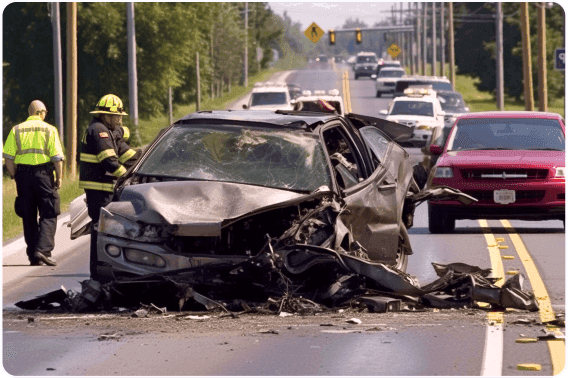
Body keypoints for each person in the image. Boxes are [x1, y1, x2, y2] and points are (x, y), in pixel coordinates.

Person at [79, 94, 139, 278]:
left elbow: (126, 155)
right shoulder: (99, 131)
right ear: (106, 116)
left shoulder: (108, 130)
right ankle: (98, 274)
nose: (120, 120)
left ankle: (107, 272)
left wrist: (142, 164)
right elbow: (110, 162)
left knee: (107, 230)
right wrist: (129, 179)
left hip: (105, 189)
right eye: (117, 117)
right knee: (101, 230)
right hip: (99, 190)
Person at [3, 100, 64, 266]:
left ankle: (33, 255)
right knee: (49, 212)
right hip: (43, 174)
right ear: (42, 112)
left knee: (28, 214)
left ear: (30, 112)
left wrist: (15, 175)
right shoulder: (50, 129)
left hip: (23, 175)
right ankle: (43, 251)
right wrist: (59, 178)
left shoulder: (16, 129)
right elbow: (57, 158)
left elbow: (8, 158)